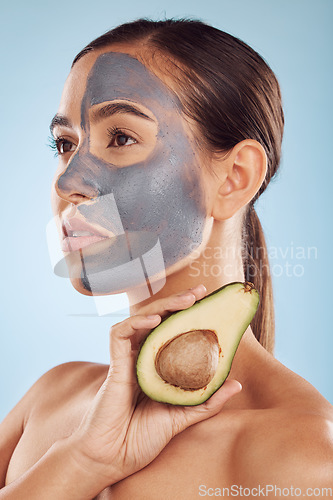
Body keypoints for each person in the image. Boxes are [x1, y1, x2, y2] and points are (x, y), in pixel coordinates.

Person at [0, 19, 332, 500]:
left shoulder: (302, 456)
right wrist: (83, 461)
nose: (67, 181)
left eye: (121, 138)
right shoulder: (51, 397)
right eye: (65, 144)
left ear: (234, 178)